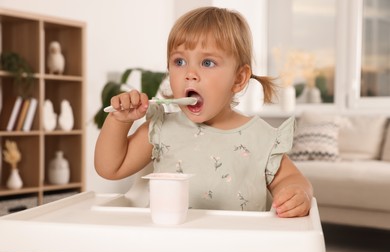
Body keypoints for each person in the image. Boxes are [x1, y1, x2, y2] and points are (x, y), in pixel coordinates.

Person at [95, 6, 312, 218]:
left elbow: (292, 179)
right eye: (179, 61)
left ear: (238, 79)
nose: (190, 74)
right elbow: (110, 168)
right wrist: (119, 120)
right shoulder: (162, 129)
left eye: (207, 62)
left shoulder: (261, 138)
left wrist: (296, 194)